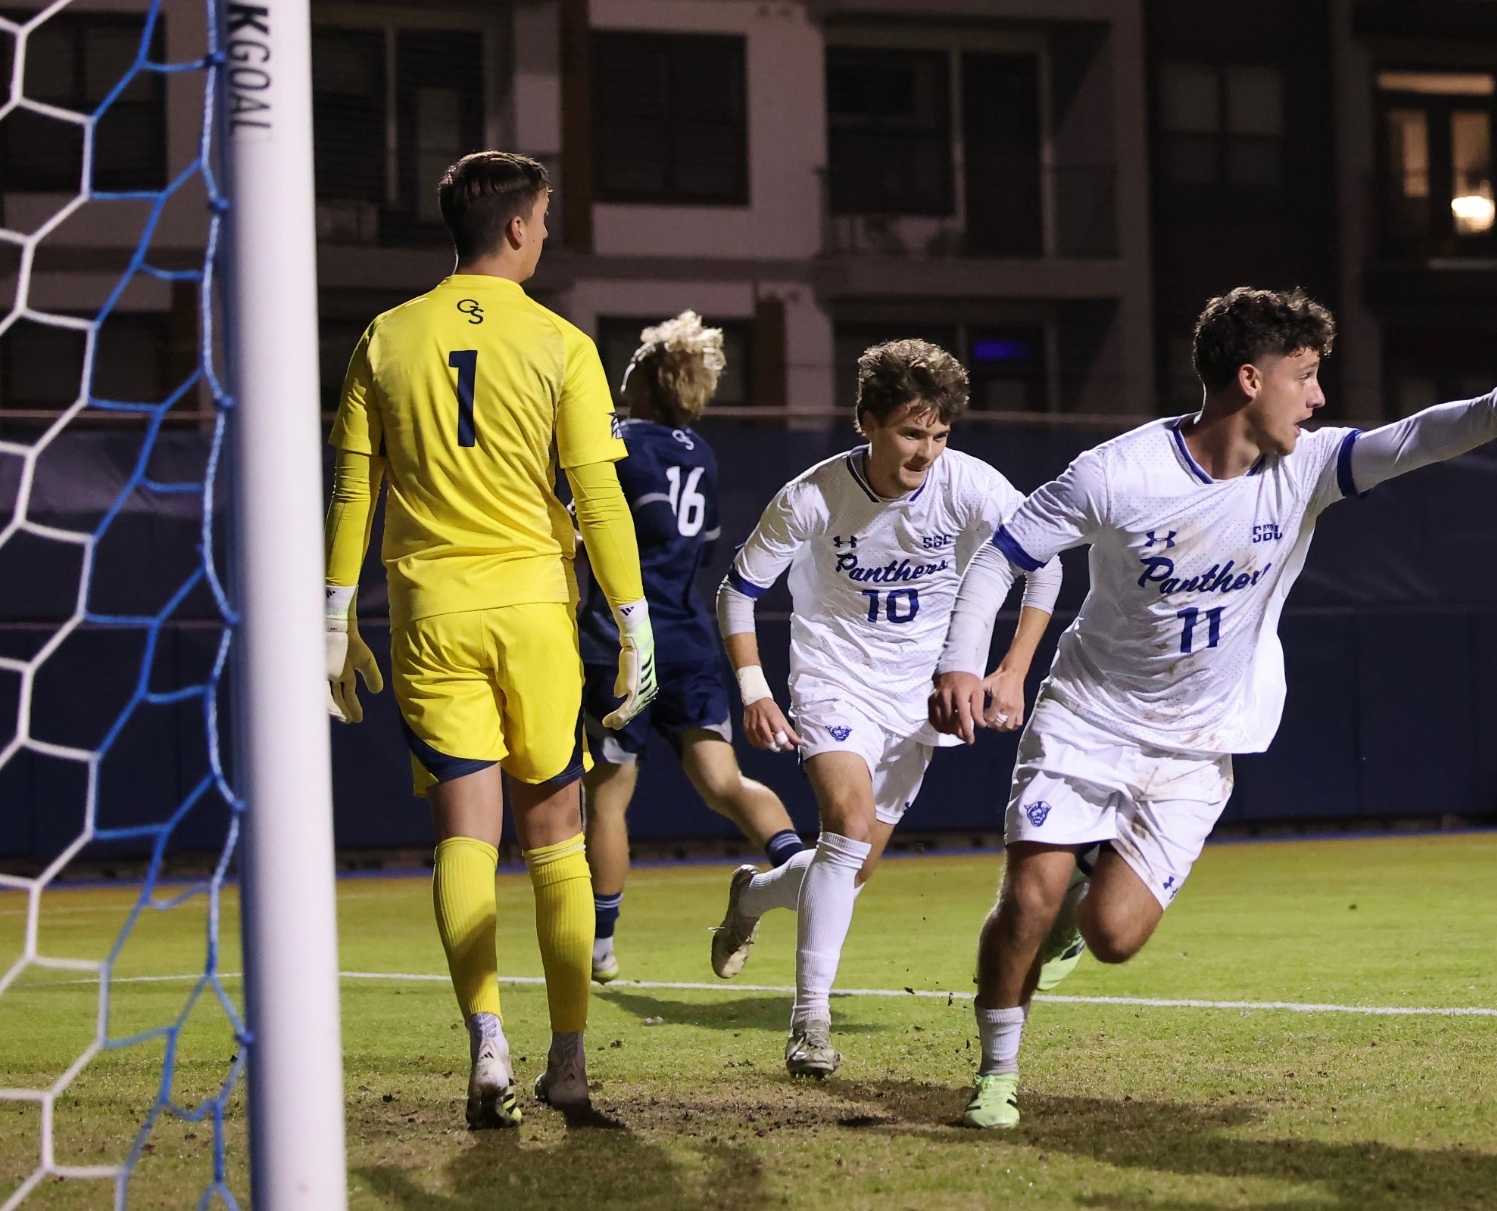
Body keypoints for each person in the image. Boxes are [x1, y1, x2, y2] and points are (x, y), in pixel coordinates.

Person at [930, 288, 1497, 1129]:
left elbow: (1415, 439)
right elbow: (1001, 555)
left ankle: (1078, 913)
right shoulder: (1117, 473)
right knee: (1028, 897)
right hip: (1089, 717)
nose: (1320, 396)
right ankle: (997, 1072)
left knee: (1112, 934)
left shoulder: (1308, 466)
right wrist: (965, 661)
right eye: (1308, 375)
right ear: (1251, 379)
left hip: (1201, 742)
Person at [321, 151, 656, 1128]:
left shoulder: (384, 337)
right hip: (533, 614)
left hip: (427, 610)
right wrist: (633, 621)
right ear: (517, 226)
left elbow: (353, 490)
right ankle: (570, 1064)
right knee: (554, 839)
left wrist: (331, 618)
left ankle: (485, 1046)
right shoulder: (560, 342)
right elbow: (597, 494)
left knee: (463, 836)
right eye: (545, 217)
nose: (545, 232)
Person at [708, 339, 1062, 1079]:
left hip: (919, 699)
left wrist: (1011, 670)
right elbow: (736, 592)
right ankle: (810, 1021)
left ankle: (755, 892)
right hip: (833, 678)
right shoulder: (811, 496)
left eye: (938, 434)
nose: (925, 450)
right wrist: (756, 689)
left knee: (853, 865)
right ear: (866, 420)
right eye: (909, 431)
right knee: (847, 825)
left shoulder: (969, 484)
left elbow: (1046, 564)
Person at [573, 313, 807, 984]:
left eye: (629, 364)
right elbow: (696, 546)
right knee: (724, 782)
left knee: (610, 798)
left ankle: (601, 946)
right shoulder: (699, 453)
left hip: (622, 643)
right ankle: (799, 869)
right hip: (691, 640)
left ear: (645, 380)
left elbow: (579, 534)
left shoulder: (616, 442)